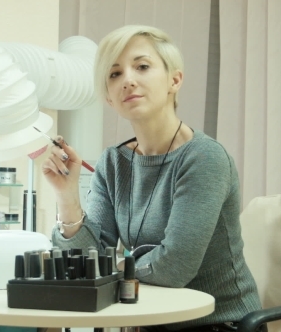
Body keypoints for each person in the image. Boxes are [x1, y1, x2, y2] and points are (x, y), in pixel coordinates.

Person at [42, 25, 262, 332]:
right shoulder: (114, 161)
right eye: (114, 74)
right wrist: (66, 197)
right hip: (149, 321)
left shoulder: (203, 158)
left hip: (217, 324)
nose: (128, 80)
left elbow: (174, 269)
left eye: (142, 66)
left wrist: (111, 268)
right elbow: (83, 262)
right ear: (108, 97)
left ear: (174, 80)